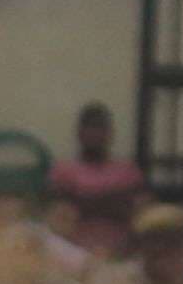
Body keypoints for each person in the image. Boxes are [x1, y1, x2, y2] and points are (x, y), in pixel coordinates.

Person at [48, 105, 145, 250]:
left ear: (110, 133)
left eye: (100, 127)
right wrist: (113, 201)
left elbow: (140, 212)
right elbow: (61, 214)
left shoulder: (128, 171)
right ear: (79, 133)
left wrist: (83, 200)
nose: (95, 133)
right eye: (89, 127)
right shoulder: (62, 170)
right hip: (73, 251)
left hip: (121, 250)